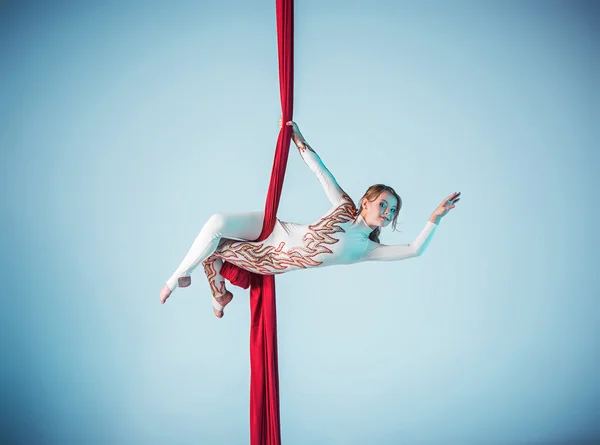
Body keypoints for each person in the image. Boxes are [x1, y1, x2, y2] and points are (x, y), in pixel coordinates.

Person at [160, 120, 460, 317]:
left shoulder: (367, 249)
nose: (388, 213)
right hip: (272, 228)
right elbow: (322, 173)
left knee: (213, 250)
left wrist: (435, 218)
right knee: (215, 222)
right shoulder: (344, 206)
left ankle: (217, 297)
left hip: (270, 257)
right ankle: (180, 280)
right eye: (384, 204)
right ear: (366, 202)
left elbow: (413, 250)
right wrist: (298, 139)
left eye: (392, 211)